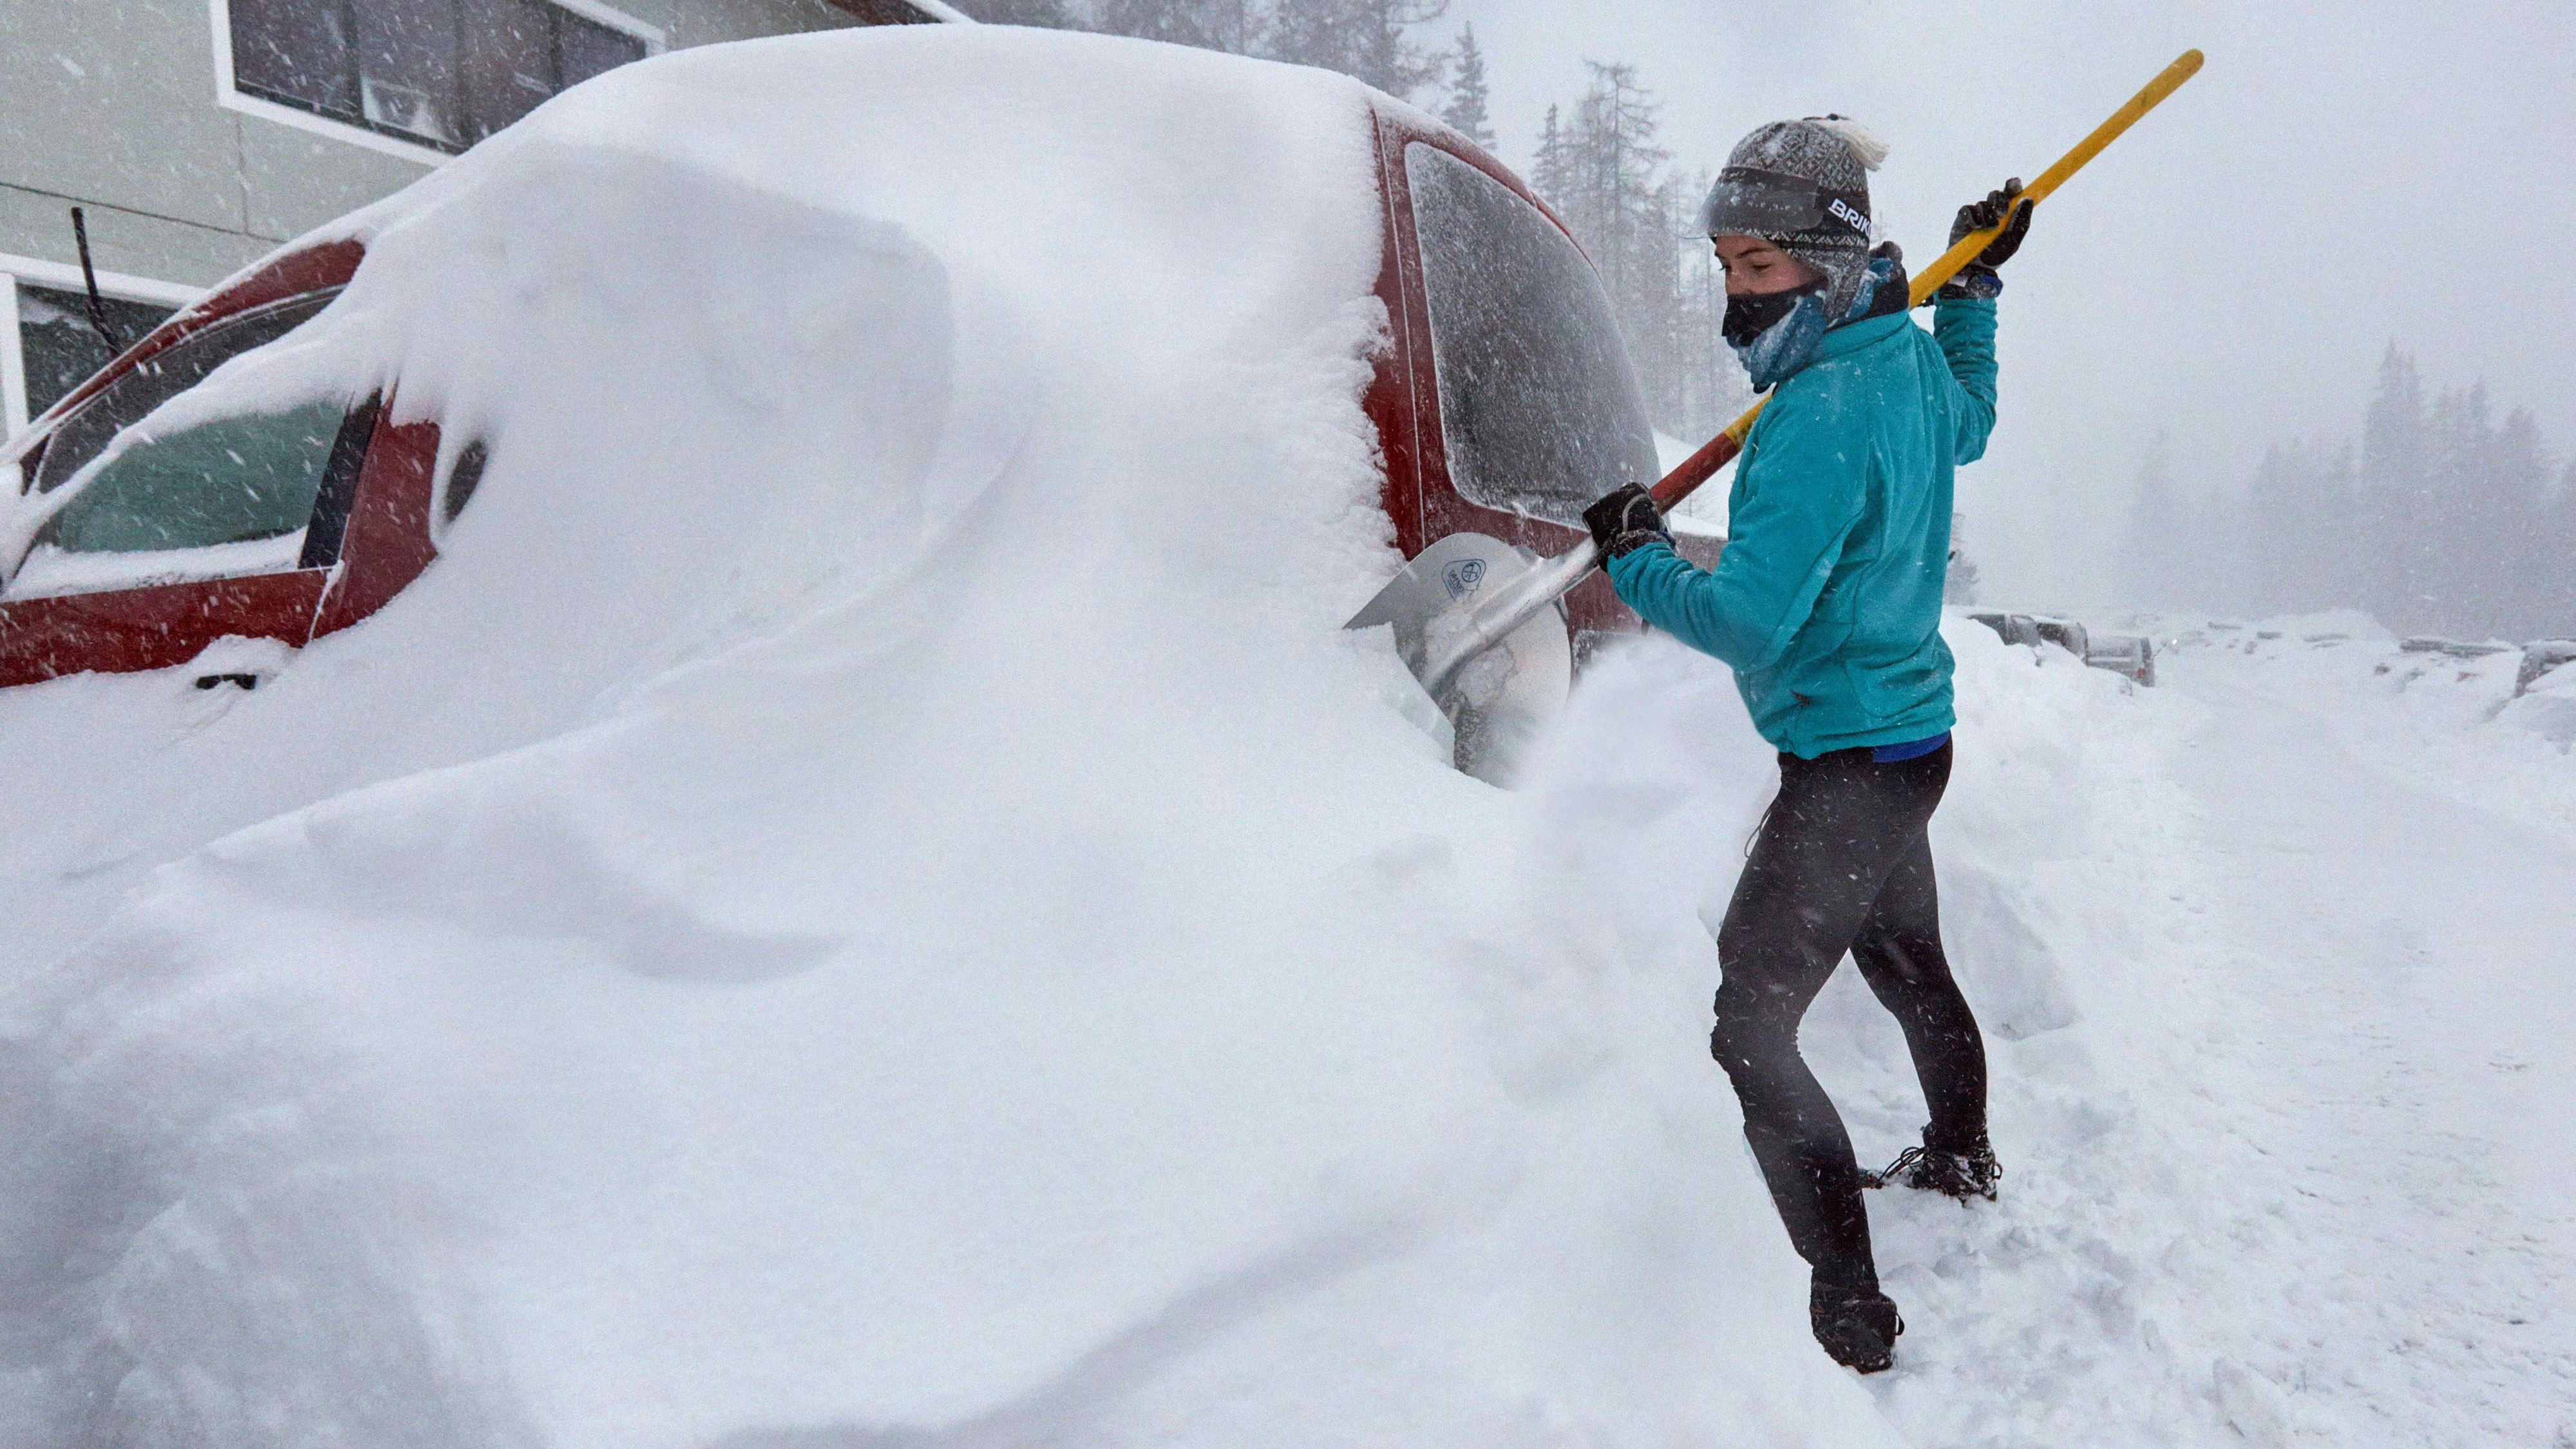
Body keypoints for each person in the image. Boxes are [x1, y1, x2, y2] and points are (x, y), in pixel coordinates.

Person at [1579, 115, 2030, 1375]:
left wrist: (1635, 556)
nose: (1736, 293)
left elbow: (1744, 618)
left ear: (1827, 265)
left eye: (1761, 266)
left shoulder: (1817, 413)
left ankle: (1846, 1302)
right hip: (1907, 741)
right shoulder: (1900, 355)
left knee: (1746, 1020)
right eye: (1725, 265)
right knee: (1903, 956)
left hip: (1848, 763)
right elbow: (1970, 421)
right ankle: (1959, 1155)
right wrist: (1972, 297)